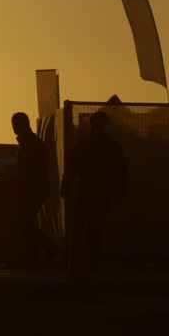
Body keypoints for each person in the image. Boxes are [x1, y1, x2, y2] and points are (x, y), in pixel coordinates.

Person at [61, 111, 126, 278]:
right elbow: (120, 171)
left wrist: (65, 187)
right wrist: (119, 191)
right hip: (101, 192)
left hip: (86, 191)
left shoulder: (84, 144)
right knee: (97, 227)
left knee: (85, 226)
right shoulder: (112, 146)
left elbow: (71, 168)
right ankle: (93, 260)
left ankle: (85, 261)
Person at [11, 112, 56, 263]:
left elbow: (29, 169)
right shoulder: (30, 142)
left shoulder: (29, 143)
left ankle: (46, 249)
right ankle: (36, 254)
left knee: (24, 222)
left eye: (15, 124)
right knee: (26, 222)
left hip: (33, 188)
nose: (14, 128)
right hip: (35, 188)